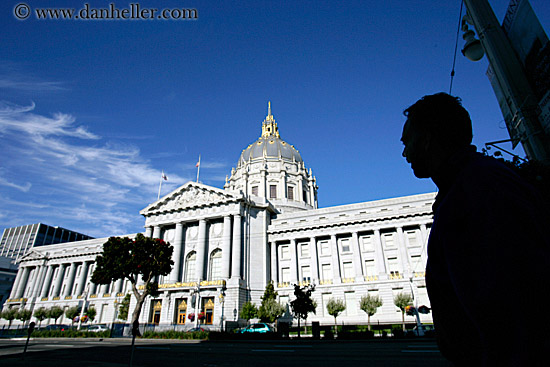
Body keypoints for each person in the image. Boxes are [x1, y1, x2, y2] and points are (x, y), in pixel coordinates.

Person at [401, 93, 550, 366]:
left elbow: (510, 298)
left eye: (407, 142)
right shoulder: (467, 185)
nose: (404, 153)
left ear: (427, 140)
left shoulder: (480, 187)